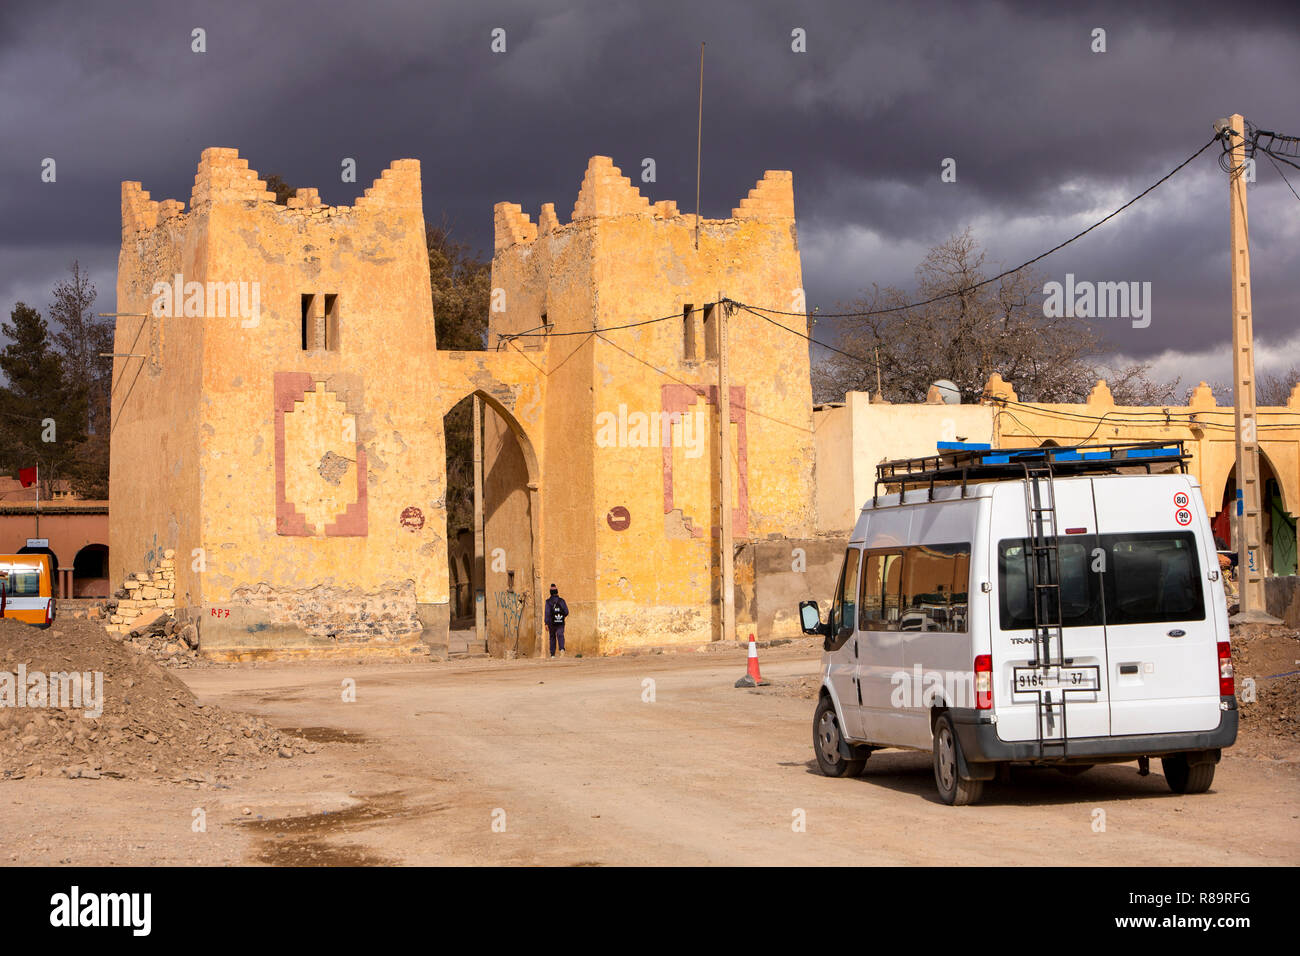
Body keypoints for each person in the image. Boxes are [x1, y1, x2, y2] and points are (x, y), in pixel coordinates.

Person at [544, 583, 569, 658]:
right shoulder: (562, 601)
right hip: (560, 622)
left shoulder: (548, 602)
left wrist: (546, 623)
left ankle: (552, 654)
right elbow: (566, 612)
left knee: (552, 637)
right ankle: (561, 649)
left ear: (550, 593)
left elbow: (547, 613)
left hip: (552, 623)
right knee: (560, 635)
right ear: (557, 592)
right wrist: (561, 617)